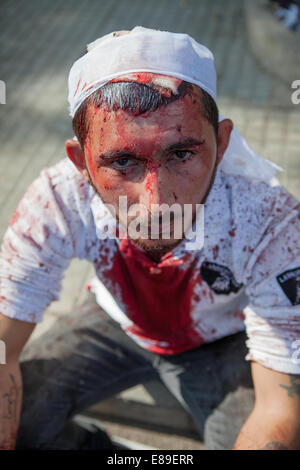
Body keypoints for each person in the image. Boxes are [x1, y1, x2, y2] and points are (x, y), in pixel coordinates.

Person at [1, 26, 300, 450]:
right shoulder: (57, 201)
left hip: (222, 339)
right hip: (115, 319)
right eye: (122, 162)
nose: (156, 204)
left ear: (222, 142)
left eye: (181, 154)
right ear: (80, 162)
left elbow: (279, 409)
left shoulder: (270, 221)